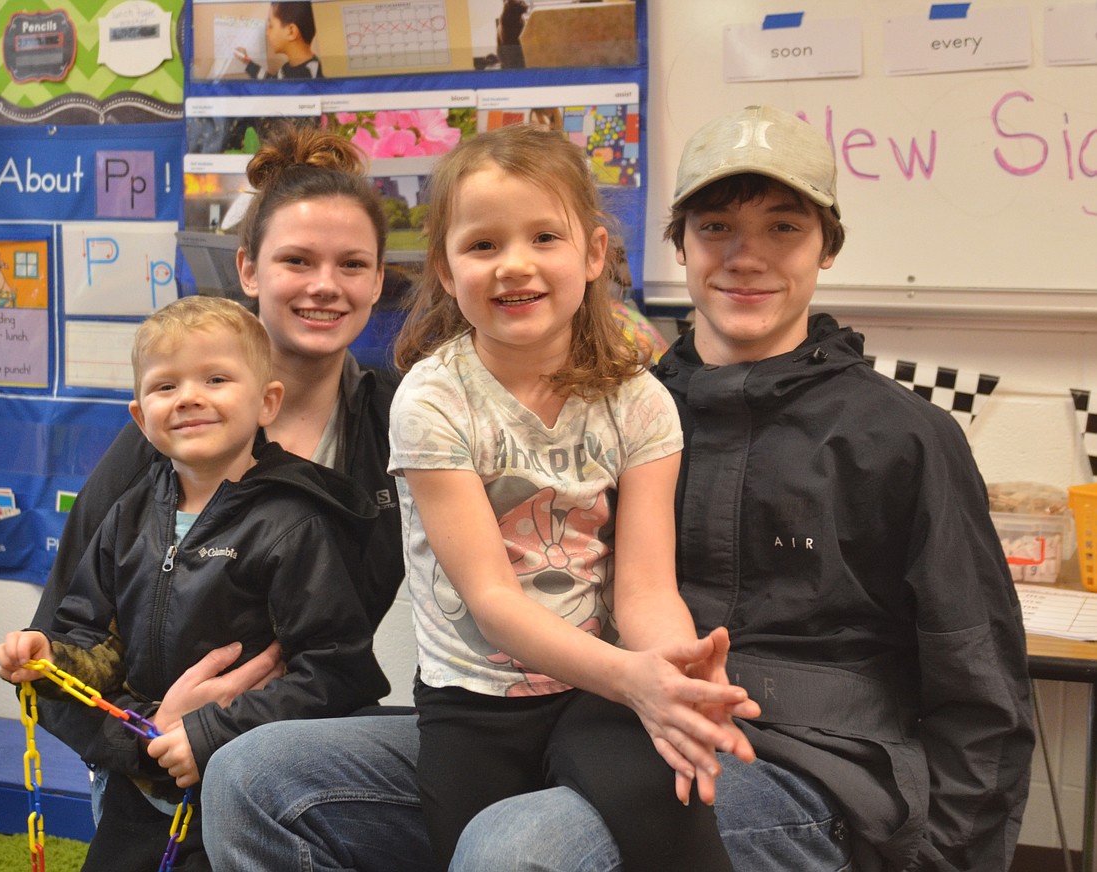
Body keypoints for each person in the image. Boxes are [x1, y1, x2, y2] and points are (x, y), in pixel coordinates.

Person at [203, 105, 1035, 872]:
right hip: (591, 703)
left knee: (516, 849)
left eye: (783, 228)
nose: (746, 255)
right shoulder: (632, 392)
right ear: (680, 245)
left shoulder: (902, 435)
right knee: (253, 778)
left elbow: (981, 684)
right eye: (717, 228)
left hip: (803, 759)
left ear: (826, 247)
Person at [27, 123, 405, 863]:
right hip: (151, 757)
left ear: (378, 281)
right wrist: (149, 739)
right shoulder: (166, 439)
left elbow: (340, 654)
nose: (325, 285)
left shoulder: (398, 424)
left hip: (293, 751)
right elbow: (61, 645)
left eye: (351, 264)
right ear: (250, 269)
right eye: (297, 260)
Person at [388, 124, 757, 871]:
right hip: (475, 702)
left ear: (592, 254)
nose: (513, 265)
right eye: (483, 245)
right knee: (484, 857)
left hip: (599, 695)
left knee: (676, 819)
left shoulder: (641, 401)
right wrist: (631, 677)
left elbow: (647, 587)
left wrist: (672, 675)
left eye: (544, 237)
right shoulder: (431, 401)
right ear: (445, 266)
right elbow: (492, 600)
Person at [0, 295, 389, 870]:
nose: (189, 397)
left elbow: (336, 672)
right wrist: (50, 658)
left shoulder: (295, 524)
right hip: (141, 782)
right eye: (165, 386)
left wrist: (209, 733)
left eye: (216, 378)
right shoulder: (128, 516)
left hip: (240, 792)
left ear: (267, 402)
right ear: (140, 417)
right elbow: (96, 643)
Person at [235, 2, 322, 79]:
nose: (267, 33)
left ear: (291, 32)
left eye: (271, 26)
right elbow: (271, 83)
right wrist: (248, 62)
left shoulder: (311, 76)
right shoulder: (286, 68)